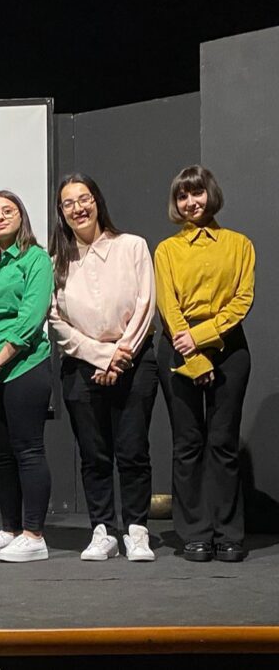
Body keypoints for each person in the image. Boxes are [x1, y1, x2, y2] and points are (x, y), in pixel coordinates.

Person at [48, 173, 158, 562]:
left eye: (84, 199)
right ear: (61, 213)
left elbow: (146, 303)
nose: (78, 208)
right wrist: (101, 356)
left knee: (132, 450)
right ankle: (103, 530)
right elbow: (56, 320)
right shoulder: (56, 262)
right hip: (82, 367)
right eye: (68, 203)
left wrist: (120, 353)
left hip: (135, 361)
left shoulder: (132, 246)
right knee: (94, 455)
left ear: (97, 201)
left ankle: (137, 530)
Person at [154, 165, 254, 563]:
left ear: (211, 194)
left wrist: (204, 336)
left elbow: (242, 300)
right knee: (188, 443)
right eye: (183, 196)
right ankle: (195, 532)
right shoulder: (167, 250)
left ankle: (228, 532)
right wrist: (193, 355)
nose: (191, 202)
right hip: (178, 346)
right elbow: (168, 306)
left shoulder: (240, 244)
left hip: (229, 347)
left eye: (197, 193)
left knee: (223, 443)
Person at [0, 190, 54, 563]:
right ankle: (10, 528)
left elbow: (31, 318)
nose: (0, 217)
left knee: (28, 450)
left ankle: (34, 534)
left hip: (24, 366)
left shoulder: (36, 259)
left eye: (8, 211)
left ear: (21, 217)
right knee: (0, 454)